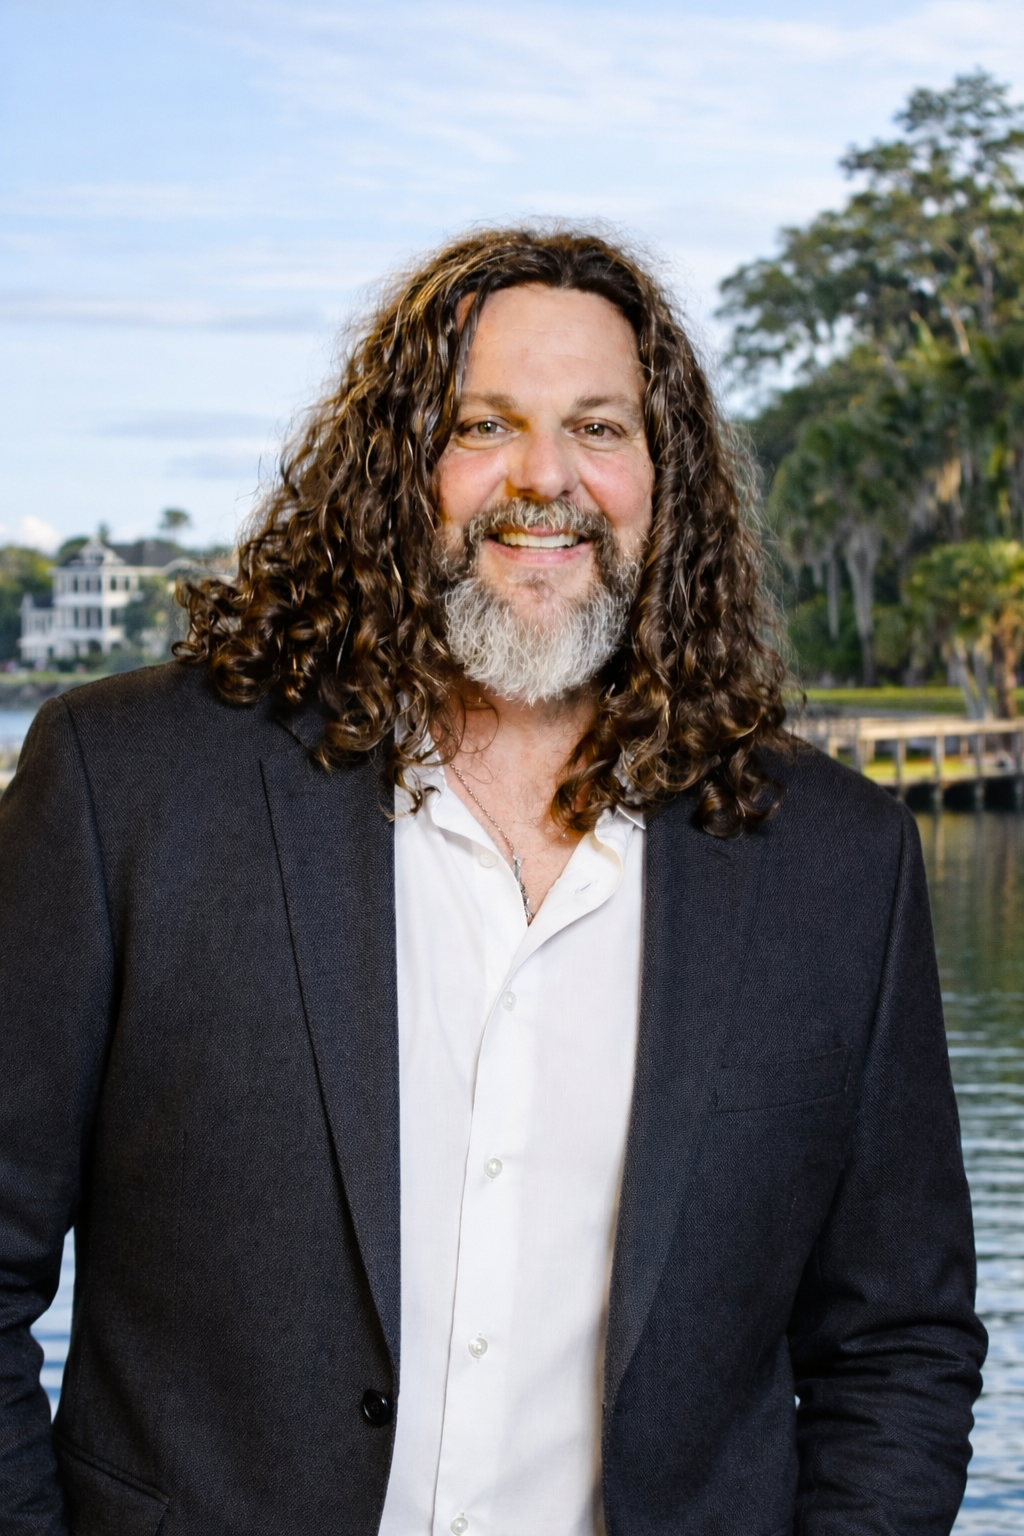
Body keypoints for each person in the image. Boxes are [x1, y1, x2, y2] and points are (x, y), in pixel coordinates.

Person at [0, 228, 985, 1536]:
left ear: (663, 477)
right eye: (482, 426)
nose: (546, 479)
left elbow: (898, 1344)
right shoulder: (129, 783)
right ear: (395, 470)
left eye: (599, 426)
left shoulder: (838, 860)